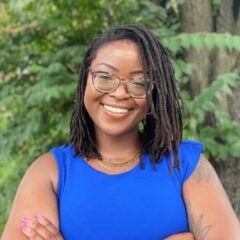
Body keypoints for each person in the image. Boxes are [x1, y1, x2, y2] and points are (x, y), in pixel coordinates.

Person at [1, 25, 240, 240]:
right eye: (104, 77)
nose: (119, 93)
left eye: (139, 83)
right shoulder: (49, 172)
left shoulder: (186, 165)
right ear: (86, 79)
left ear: (153, 95)